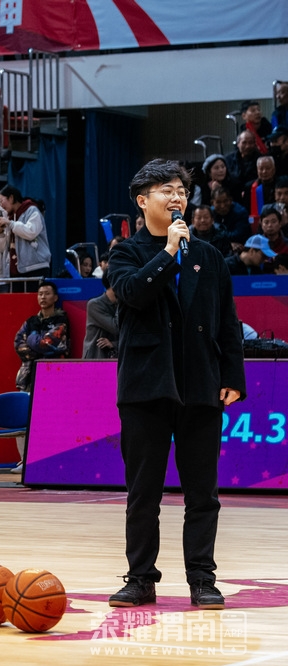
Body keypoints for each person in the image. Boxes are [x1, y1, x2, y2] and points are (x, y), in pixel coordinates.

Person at [107, 159, 245, 610]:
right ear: (142, 200)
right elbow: (132, 293)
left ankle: (202, 579)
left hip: (200, 384)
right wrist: (167, 253)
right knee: (143, 493)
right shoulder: (126, 253)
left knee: (203, 494)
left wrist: (232, 377)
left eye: (182, 190)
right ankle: (140, 579)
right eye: (166, 190)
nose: (177, 197)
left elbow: (227, 321)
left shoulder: (208, 256)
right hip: (146, 385)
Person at [14, 280, 69, 392]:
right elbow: (18, 344)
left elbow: (45, 344)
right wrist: (42, 351)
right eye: (40, 294)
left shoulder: (61, 321)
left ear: (55, 298)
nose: (43, 297)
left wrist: (33, 335)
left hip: (54, 372)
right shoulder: (31, 321)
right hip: (29, 375)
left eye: (47, 294)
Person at [0, 185, 51, 283]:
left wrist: (10, 224)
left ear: (11, 198)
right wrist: (0, 232)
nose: (1, 205)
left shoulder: (32, 210)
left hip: (35, 268)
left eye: (2, 201)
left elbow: (31, 232)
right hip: (16, 270)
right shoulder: (9, 218)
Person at [82, 272, 118, 359]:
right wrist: (121, 304)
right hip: (96, 356)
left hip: (117, 356)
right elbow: (116, 327)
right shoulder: (95, 304)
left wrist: (114, 344)